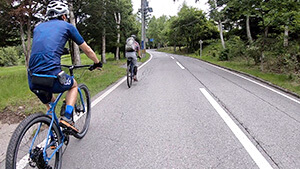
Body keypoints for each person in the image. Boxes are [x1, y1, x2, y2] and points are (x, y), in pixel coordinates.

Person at [27, 1, 102, 132]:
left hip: (33, 78)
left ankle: (53, 137)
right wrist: (97, 62)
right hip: (52, 75)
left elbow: (44, 46)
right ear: (63, 16)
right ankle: (67, 118)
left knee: (50, 105)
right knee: (73, 85)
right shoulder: (67, 26)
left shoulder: (38, 28)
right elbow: (88, 50)